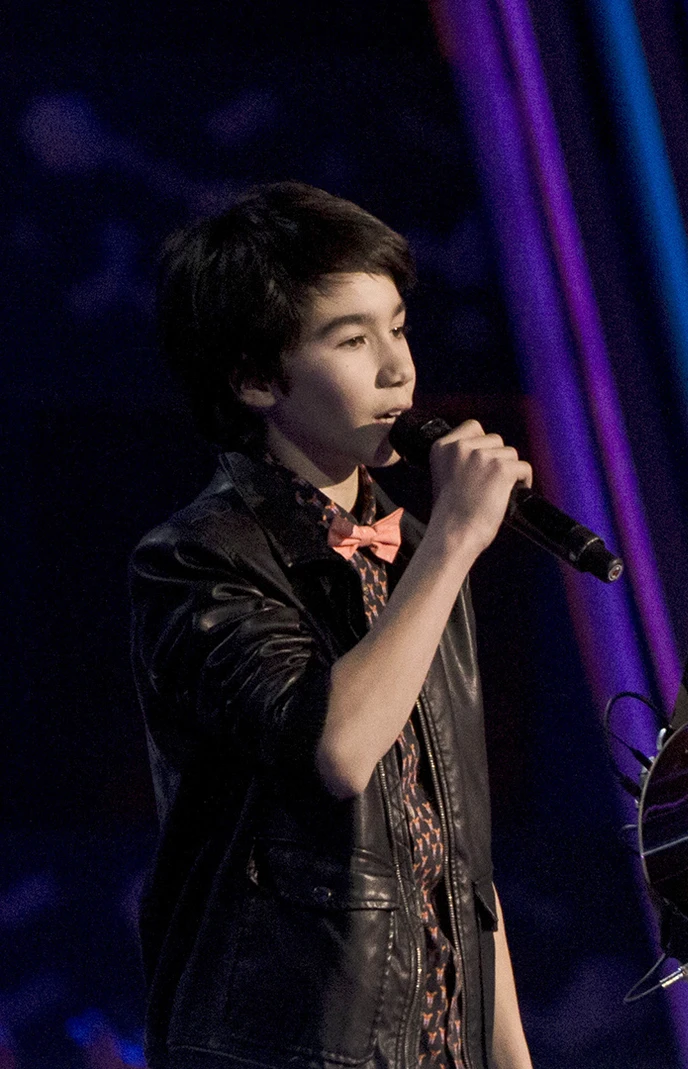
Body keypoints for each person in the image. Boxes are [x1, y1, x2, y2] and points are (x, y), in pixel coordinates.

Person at [131, 182, 533, 1068]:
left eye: (398, 327)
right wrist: (455, 544)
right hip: (294, 1048)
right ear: (255, 378)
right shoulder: (199, 558)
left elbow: (457, 856)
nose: (400, 369)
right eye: (353, 340)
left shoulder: (418, 551)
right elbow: (339, 750)